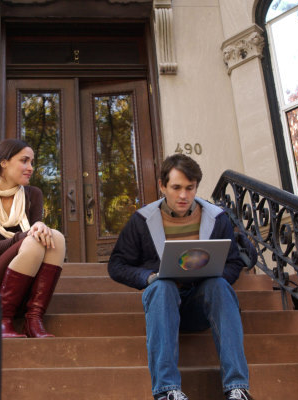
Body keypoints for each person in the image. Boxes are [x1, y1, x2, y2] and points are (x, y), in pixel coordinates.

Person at [108, 154, 255, 400]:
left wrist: (212, 273)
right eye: (176, 188)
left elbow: (234, 262)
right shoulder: (142, 220)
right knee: (162, 286)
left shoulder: (217, 217)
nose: (184, 196)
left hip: (201, 305)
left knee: (218, 285)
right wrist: (149, 277)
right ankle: (167, 391)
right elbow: (117, 265)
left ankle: (237, 388)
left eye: (190, 188)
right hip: (163, 305)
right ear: (162, 186)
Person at [0, 138, 66, 338]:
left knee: (56, 238)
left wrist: (38, 228)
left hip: (21, 284)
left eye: (32, 162)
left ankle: (33, 319)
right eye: (24, 160)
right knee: (33, 242)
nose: (30, 168)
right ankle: (1, 319)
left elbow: (37, 234)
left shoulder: (33, 195)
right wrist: (27, 234)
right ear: (3, 162)